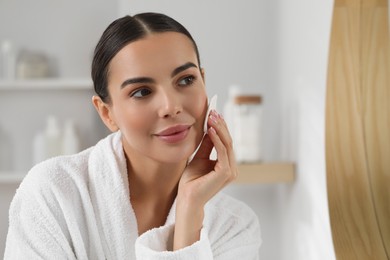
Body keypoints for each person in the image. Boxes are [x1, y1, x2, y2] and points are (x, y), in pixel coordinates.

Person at [4, 12, 261, 259]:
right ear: (107, 114)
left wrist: (189, 210)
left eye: (185, 80)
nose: (171, 106)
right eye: (141, 92)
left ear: (203, 81)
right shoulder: (51, 196)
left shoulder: (234, 226)